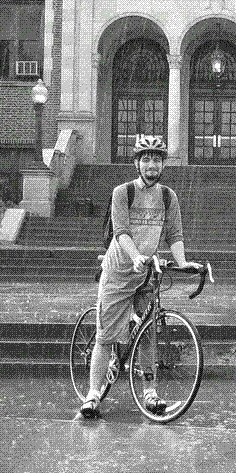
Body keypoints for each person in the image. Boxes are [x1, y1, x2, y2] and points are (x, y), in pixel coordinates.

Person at [79, 135, 201, 419]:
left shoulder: (168, 196)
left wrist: (183, 263)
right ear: (136, 163)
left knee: (147, 335)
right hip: (119, 272)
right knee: (105, 337)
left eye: (156, 160)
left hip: (146, 274)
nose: (151, 165)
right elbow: (121, 232)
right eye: (145, 159)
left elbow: (174, 234)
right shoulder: (123, 192)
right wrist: (135, 256)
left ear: (163, 165)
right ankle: (93, 395)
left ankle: (150, 392)